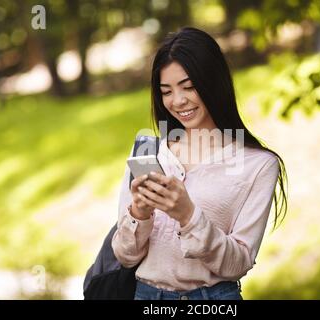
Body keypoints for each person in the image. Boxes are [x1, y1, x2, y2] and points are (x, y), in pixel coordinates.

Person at [112, 27, 287, 300]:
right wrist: (139, 212)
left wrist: (188, 216)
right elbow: (125, 256)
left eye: (189, 87)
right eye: (166, 91)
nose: (178, 101)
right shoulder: (149, 152)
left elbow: (238, 263)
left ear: (212, 83)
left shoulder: (259, 165)